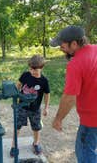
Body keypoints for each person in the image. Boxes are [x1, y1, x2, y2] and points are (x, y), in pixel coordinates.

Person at [51, 25, 97, 163]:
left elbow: (69, 98)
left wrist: (58, 119)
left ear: (75, 44)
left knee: (84, 151)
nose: (60, 48)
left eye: (62, 45)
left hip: (92, 119)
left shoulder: (75, 64)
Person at [10, 54, 50, 157]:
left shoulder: (44, 81)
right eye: (31, 69)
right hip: (22, 107)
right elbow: (17, 86)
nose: (32, 72)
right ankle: (14, 145)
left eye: (35, 70)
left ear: (41, 68)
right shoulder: (25, 75)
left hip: (35, 109)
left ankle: (36, 143)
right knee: (17, 126)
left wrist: (46, 107)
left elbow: (47, 94)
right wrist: (15, 96)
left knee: (36, 127)